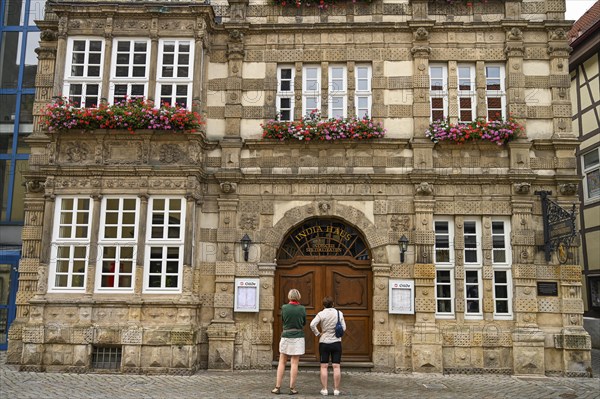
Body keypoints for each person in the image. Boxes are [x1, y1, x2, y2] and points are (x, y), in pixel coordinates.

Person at [310, 296, 346, 396]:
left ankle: (324, 389)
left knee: (324, 366)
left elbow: (312, 324)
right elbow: (344, 327)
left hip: (324, 342)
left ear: (323, 305)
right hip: (336, 342)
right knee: (336, 366)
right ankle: (336, 390)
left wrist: (318, 333)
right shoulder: (339, 313)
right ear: (333, 304)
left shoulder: (321, 314)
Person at [272, 288, 306, 395]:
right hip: (298, 336)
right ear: (298, 297)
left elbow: (283, 320)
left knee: (282, 362)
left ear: (289, 297)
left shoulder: (284, 307)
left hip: (286, 335)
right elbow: (304, 322)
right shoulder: (302, 308)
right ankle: (292, 388)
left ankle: (277, 387)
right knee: (294, 363)